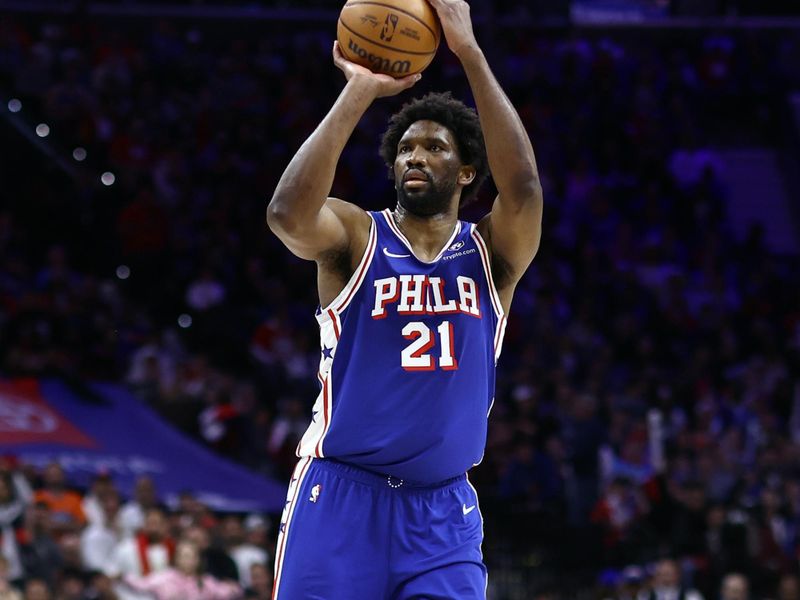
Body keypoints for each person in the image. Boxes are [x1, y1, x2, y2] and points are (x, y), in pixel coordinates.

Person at [266, 0, 542, 597]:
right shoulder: (357, 237)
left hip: (443, 513)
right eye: (405, 149)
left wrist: (469, 52)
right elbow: (287, 215)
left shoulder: (491, 254)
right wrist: (360, 90)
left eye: (436, 148)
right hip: (339, 496)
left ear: (468, 171)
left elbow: (522, 185)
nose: (416, 156)